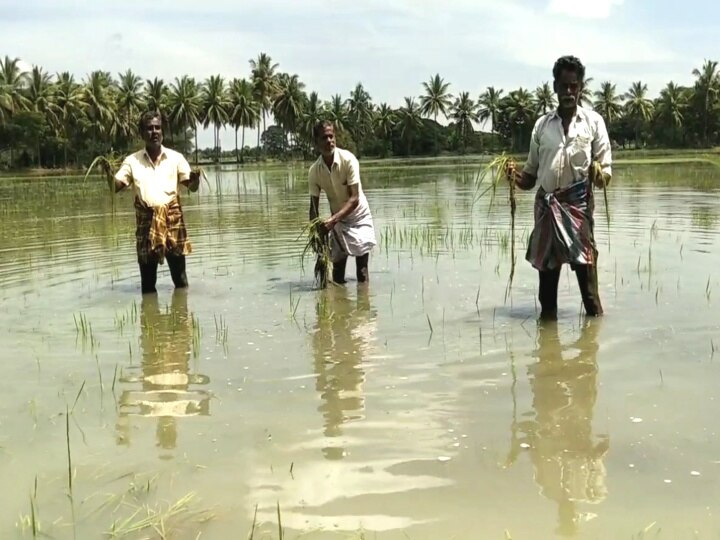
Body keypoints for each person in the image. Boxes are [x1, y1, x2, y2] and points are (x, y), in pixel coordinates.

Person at [507, 55, 612, 320]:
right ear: (554, 86)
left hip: (578, 210)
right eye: (563, 86)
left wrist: (599, 175)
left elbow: (605, 173)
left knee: (589, 291)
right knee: (547, 295)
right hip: (547, 210)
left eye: (573, 86)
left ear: (580, 88)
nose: (568, 92)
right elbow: (531, 177)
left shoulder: (593, 122)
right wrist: (513, 176)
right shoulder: (542, 126)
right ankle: (548, 343)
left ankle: (591, 349)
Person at [114, 111, 200, 294]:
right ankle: (151, 322)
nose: (154, 132)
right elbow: (117, 185)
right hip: (146, 224)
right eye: (149, 128)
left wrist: (195, 180)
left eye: (157, 128)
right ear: (142, 133)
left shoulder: (176, 158)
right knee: (147, 283)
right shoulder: (132, 161)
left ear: (163, 131)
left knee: (180, 279)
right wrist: (107, 174)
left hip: (173, 222)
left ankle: (181, 317)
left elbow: (191, 186)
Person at [308, 121, 376, 286]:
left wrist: (332, 221)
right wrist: (316, 235)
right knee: (338, 274)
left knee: (362, 271)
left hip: (359, 215)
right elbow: (313, 208)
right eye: (324, 137)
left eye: (331, 136)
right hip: (338, 219)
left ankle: (364, 307)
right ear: (316, 142)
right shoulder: (315, 171)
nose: (329, 141)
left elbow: (354, 199)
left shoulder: (348, 160)